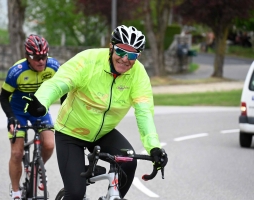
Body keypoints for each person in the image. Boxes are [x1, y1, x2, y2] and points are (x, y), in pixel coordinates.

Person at [24, 25, 168, 199]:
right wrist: (41, 100)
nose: (125, 59)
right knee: (76, 193)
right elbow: (61, 82)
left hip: (103, 133)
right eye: (121, 51)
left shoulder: (138, 74)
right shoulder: (89, 60)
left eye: (132, 55)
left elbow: (144, 112)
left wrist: (154, 147)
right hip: (71, 132)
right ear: (111, 46)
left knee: (129, 161)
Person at [0, 34, 64, 200]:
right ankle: (15, 192)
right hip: (18, 111)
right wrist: (11, 118)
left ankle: (36, 169)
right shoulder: (17, 71)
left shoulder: (54, 66)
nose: (41, 61)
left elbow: (65, 90)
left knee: (49, 145)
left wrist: (66, 111)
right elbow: (3, 97)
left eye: (44, 56)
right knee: (17, 153)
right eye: (36, 58)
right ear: (27, 56)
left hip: (39, 110)